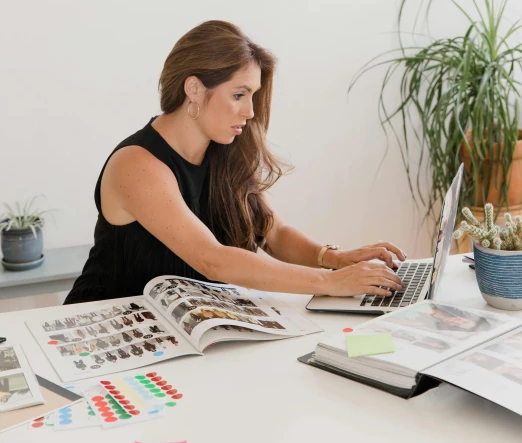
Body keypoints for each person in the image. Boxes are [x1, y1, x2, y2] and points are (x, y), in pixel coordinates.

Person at [64, 20, 405, 305]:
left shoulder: (224, 153)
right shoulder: (136, 164)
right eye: (239, 95)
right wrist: (331, 282)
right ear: (194, 89)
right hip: (107, 333)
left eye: (252, 96)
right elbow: (212, 259)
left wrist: (334, 259)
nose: (250, 111)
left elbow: (275, 232)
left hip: (183, 327)